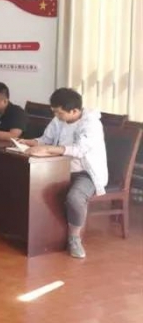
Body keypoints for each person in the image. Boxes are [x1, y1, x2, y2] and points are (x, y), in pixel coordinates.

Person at [19, 88, 108, 259]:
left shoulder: (91, 124)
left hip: (85, 172)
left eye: (59, 113)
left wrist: (48, 149)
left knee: (75, 198)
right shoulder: (58, 120)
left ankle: (74, 238)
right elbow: (45, 139)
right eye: (55, 112)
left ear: (74, 111)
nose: (56, 116)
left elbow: (80, 150)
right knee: (31, 185)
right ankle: (38, 233)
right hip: (57, 168)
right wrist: (29, 142)